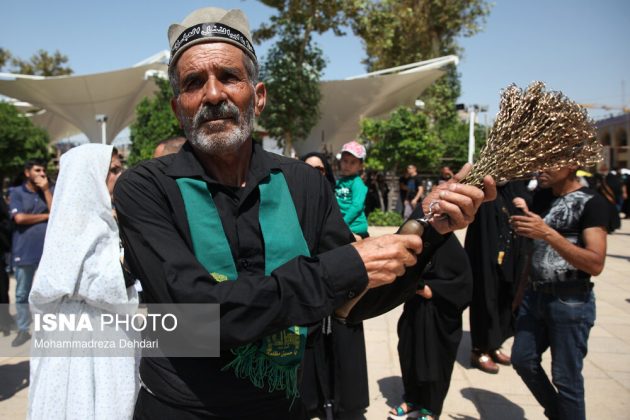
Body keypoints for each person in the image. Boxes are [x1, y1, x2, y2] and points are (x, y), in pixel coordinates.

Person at [113, 7, 494, 419]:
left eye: (228, 76)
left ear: (258, 96)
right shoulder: (146, 187)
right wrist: (340, 268)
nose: (213, 94)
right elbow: (197, 321)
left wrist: (429, 225)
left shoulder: (301, 183)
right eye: (193, 83)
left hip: (286, 405)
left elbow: (354, 303)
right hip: (180, 409)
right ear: (177, 108)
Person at [28, 144, 139, 420]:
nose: (120, 174)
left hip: (108, 330)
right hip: (79, 339)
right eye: (112, 170)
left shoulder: (105, 218)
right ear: (89, 176)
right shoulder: (73, 223)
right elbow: (95, 284)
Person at [510, 166, 608, 420]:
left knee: (566, 378)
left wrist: (547, 233)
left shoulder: (592, 202)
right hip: (534, 296)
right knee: (522, 359)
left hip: (570, 299)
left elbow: (595, 264)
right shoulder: (542, 197)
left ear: (571, 164)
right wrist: (521, 292)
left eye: (549, 161)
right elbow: (533, 249)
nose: (539, 169)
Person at [300, 151, 369, 418]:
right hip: (306, 301)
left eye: (320, 170)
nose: (314, 174)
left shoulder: (337, 201)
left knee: (342, 358)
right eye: (307, 169)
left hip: (340, 304)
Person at [391, 233, 473, 420]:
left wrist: (432, 290)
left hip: (439, 318)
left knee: (435, 362)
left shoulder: (451, 249)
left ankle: (430, 409)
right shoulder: (420, 242)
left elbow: (464, 286)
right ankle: (411, 400)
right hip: (414, 311)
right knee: (409, 354)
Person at [465, 181, 532, 374]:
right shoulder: (483, 193)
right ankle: (480, 349)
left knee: (506, 299)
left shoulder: (516, 190)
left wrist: (525, 207)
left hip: (512, 256)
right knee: (486, 299)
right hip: (486, 257)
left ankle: (495, 344)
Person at [8, 159, 53, 347]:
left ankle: (49, 330)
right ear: (27, 173)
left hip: (47, 252)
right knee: (22, 293)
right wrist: (45, 216)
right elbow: (19, 218)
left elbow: (57, 213)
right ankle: (24, 329)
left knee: (49, 293)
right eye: (37, 170)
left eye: (43, 170)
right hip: (24, 251)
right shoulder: (16, 192)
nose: (42, 173)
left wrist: (45, 190)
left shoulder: (48, 191)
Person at [335, 141, 369, 239]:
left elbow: (357, 206)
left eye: (353, 162)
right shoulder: (339, 182)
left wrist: (343, 222)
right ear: (340, 161)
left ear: (360, 166)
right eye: (345, 161)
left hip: (355, 227)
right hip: (344, 225)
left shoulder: (357, 183)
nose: (348, 165)